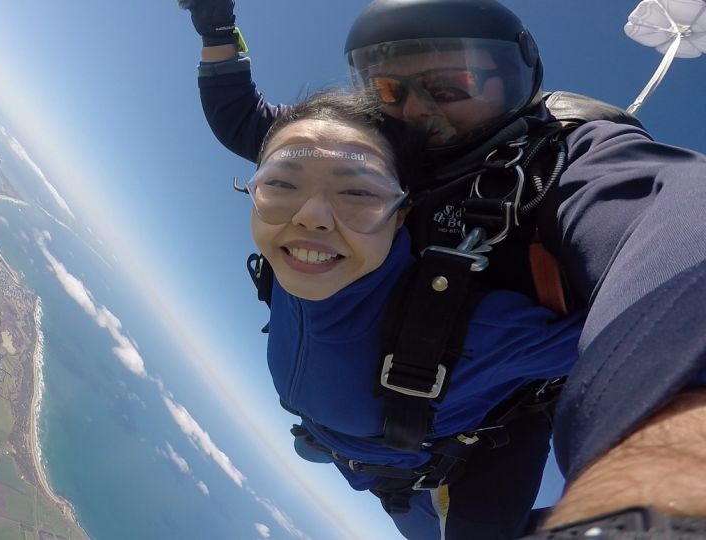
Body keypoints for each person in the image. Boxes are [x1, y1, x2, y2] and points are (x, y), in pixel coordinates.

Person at [179, 0, 706, 538]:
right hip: (354, 443)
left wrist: (662, 503)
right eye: (389, 91)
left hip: (472, 449)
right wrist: (217, 27)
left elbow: (680, 226)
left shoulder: (563, 165)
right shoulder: (358, 150)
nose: (418, 114)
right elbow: (243, 120)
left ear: (517, 83)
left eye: (451, 88)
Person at [246, 88, 584, 540]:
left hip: (434, 485)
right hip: (356, 459)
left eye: (357, 192)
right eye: (282, 183)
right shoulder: (297, 262)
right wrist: (217, 33)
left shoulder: (468, 331)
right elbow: (235, 117)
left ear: (400, 213)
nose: (311, 216)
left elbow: (641, 331)